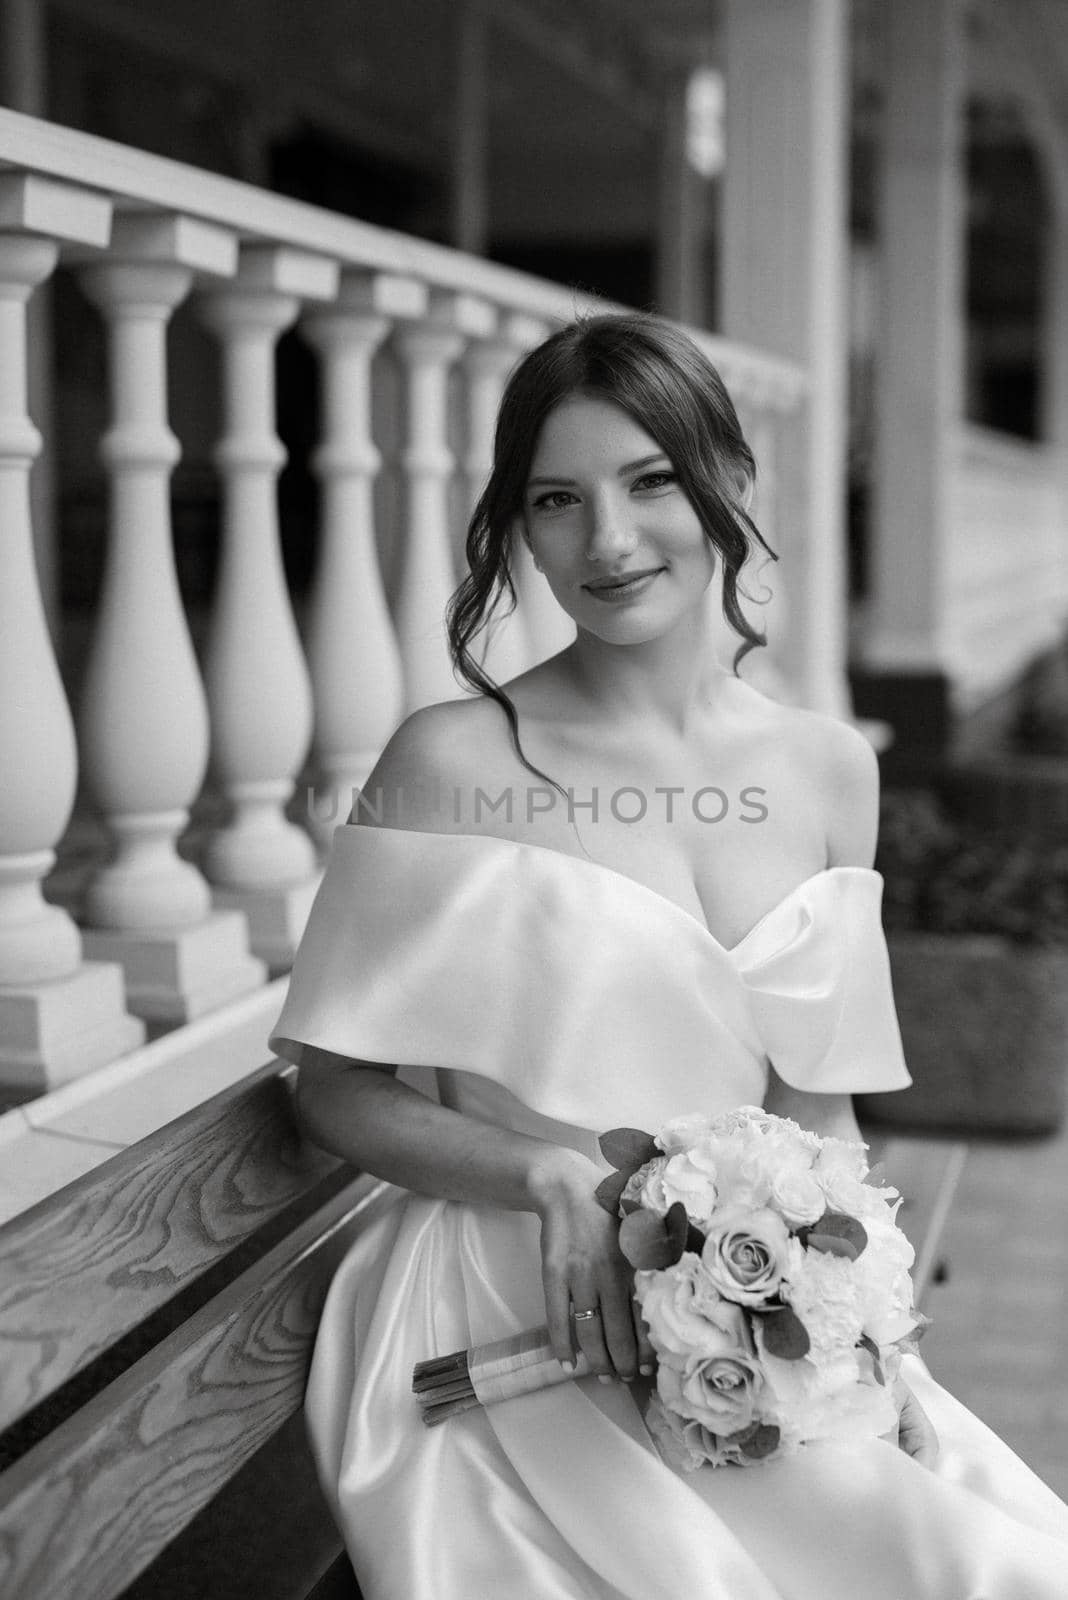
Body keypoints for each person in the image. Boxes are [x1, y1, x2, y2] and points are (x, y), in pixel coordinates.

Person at [270, 313, 1068, 1599]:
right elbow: (334, 1088)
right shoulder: (450, 763)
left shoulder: (826, 768)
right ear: (518, 531)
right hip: (510, 1298)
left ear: (731, 486)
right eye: (557, 500)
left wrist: (876, 1347)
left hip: (753, 1315)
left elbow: (817, 1102)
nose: (610, 540)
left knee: (981, 1559)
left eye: (650, 481)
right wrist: (542, 1173)